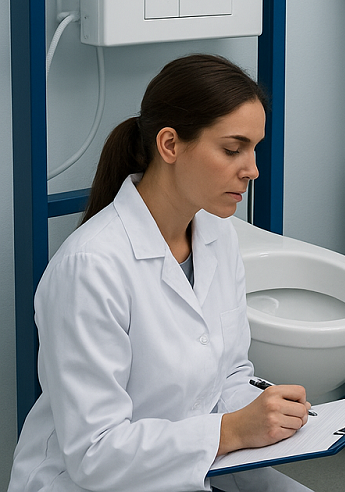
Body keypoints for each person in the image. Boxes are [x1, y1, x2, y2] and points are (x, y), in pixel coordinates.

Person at [9, 54, 313, 492]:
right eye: (233, 149)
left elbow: (229, 372)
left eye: (254, 149)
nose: (252, 169)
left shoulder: (216, 235)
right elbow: (95, 454)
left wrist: (266, 411)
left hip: (189, 462)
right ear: (169, 145)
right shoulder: (90, 268)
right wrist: (231, 431)